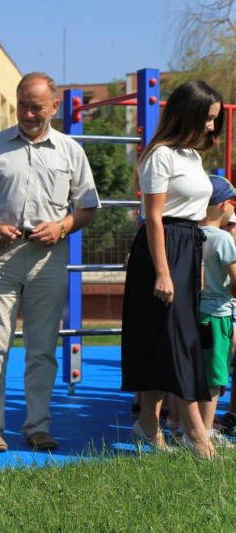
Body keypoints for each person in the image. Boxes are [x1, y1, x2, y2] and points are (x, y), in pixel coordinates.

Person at [0, 72, 100, 453]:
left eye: (37, 106)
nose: (29, 113)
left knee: (42, 349)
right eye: (22, 105)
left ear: (54, 106)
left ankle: (38, 426)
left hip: (48, 260)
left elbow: (87, 207)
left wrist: (63, 227)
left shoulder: (71, 151)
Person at [121, 80, 224, 459]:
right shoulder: (160, 156)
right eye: (207, 119)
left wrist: (194, 266)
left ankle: (148, 424)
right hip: (160, 251)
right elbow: (153, 218)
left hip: (187, 248)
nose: (212, 127)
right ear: (188, 114)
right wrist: (164, 272)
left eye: (214, 120)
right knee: (179, 340)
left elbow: (194, 219)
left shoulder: (193, 159)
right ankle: (197, 434)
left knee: (164, 339)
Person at [197, 175, 236, 449]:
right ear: (224, 206)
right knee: (214, 377)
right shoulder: (223, 239)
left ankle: (186, 424)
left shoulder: (191, 234)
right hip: (218, 314)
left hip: (195, 312)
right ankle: (206, 431)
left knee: (197, 371)